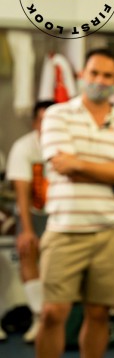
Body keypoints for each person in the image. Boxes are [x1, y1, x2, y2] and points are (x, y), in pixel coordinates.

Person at [36, 48, 114, 358]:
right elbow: (62, 166)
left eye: (107, 76)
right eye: (94, 73)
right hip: (65, 229)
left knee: (99, 314)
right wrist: (110, 173)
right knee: (52, 313)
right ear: (82, 74)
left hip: (112, 231)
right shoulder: (57, 115)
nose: (99, 80)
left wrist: (79, 164)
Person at [5, 100, 54, 343]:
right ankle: (38, 317)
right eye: (43, 120)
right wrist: (26, 230)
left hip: (64, 213)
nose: (48, 126)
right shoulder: (23, 147)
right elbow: (22, 193)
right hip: (32, 212)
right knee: (27, 248)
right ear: (34, 122)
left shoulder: (70, 145)